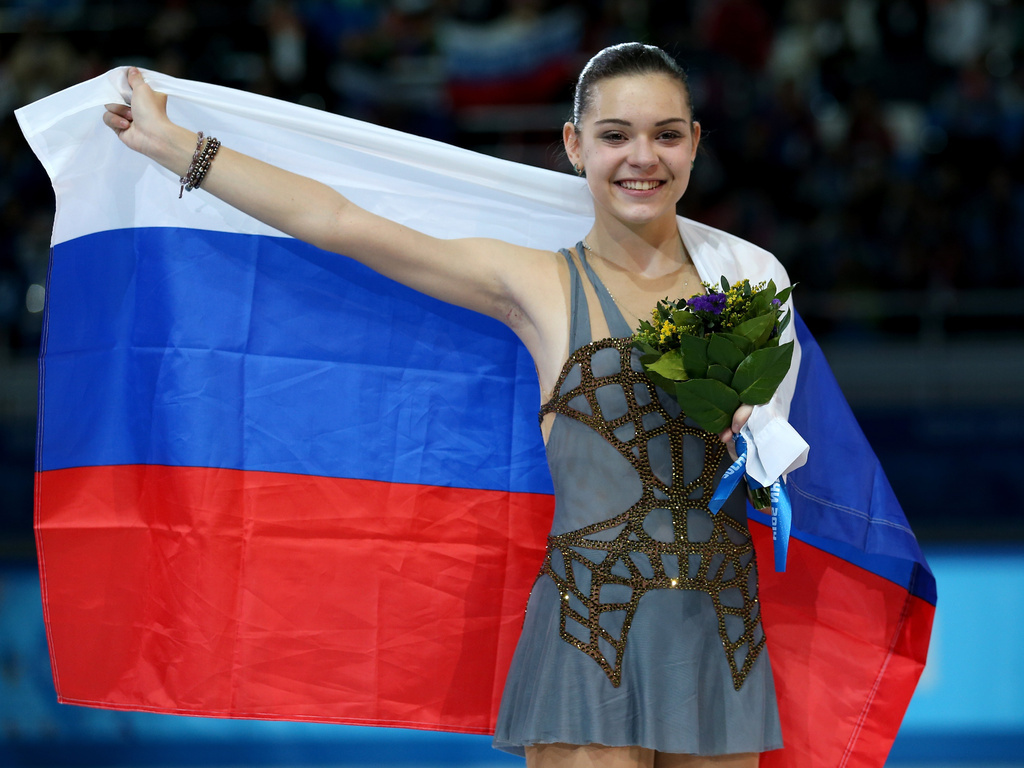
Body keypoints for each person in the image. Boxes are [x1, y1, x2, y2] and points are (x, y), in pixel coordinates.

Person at [104, 42, 806, 768]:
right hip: (592, 624)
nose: (643, 157)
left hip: (719, 628)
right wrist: (174, 146)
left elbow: (773, 475)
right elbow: (342, 221)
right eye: (615, 135)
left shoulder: (748, 284)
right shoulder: (538, 284)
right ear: (575, 145)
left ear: (694, 142)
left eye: (666, 134)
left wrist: (760, 451)